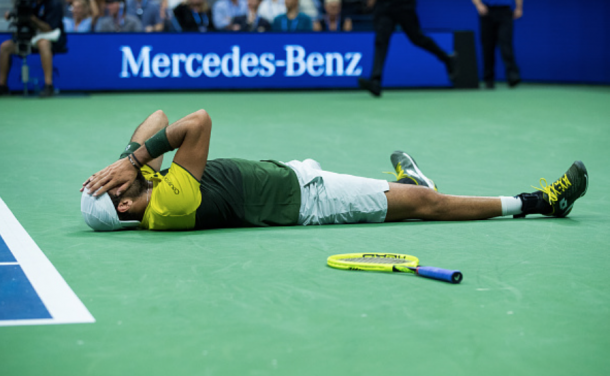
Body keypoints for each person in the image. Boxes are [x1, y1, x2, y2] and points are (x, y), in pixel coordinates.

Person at [80, 110, 589, 232]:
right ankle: (541, 201)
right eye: (115, 188)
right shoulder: (168, 203)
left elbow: (159, 119)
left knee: (410, 196)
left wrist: (127, 160)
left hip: (298, 177)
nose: (120, 179)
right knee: (429, 207)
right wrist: (131, 161)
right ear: (125, 204)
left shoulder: (156, 187)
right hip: (313, 202)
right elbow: (196, 121)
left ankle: (408, 184)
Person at [357, 0, 457, 97]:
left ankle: (447, 59)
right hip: (384, 6)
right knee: (381, 40)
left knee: (417, 38)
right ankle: (375, 81)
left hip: (404, 5)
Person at [0, 0, 67, 97]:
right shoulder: (27, 3)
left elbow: (49, 28)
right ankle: (2, 86)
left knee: (43, 43)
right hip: (30, 38)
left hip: (51, 39)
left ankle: (48, 85)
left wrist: (32, 19)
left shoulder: (54, 3)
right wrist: (13, 15)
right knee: (5, 47)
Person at [472, 0, 522, 89]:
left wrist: (519, 8)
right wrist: (478, 4)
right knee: (488, 46)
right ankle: (488, 79)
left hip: (505, 12)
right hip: (487, 11)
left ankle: (513, 77)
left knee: (506, 44)